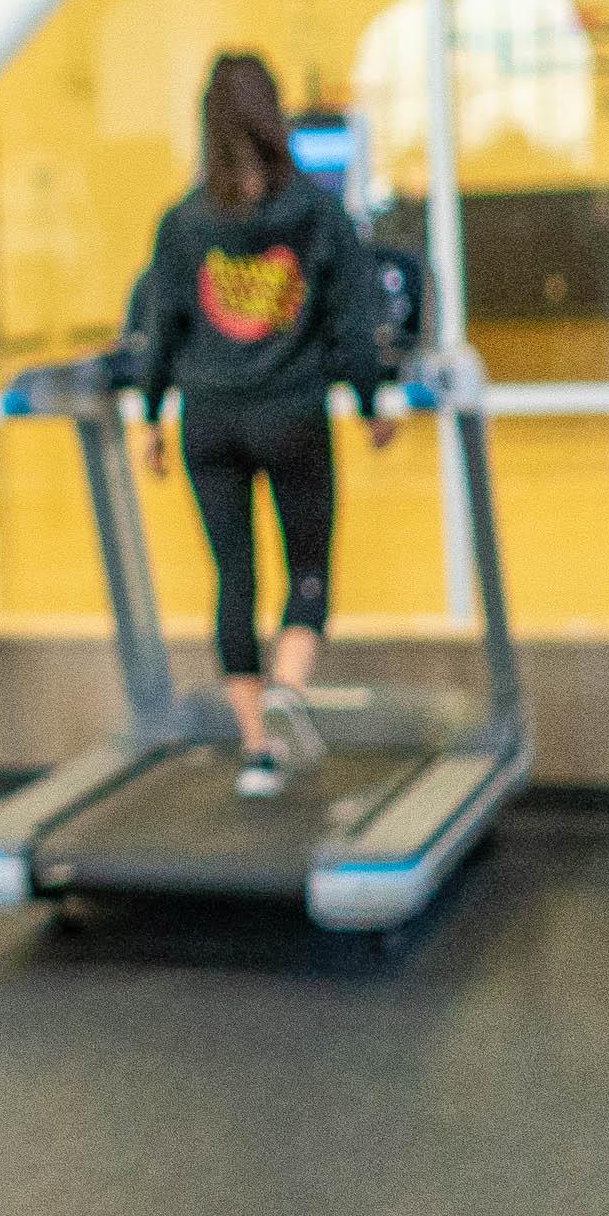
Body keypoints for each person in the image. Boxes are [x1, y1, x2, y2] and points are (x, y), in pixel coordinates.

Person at [125, 53, 400, 799]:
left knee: (233, 579)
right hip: (291, 412)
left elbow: (163, 326)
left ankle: (257, 753)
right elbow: (351, 323)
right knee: (309, 568)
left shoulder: (183, 223)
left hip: (208, 421)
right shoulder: (315, 211)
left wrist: (150, 416)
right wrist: (374, 405)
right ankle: (287, 688)